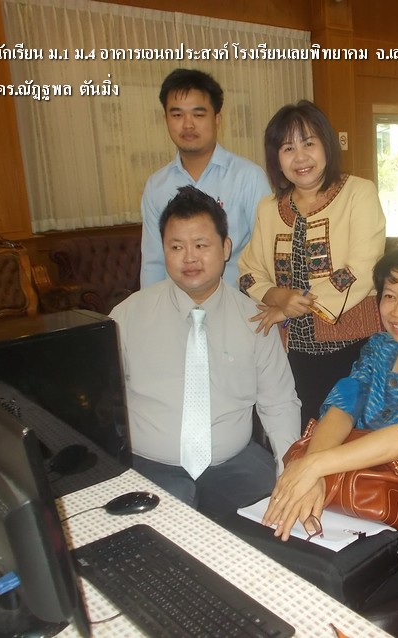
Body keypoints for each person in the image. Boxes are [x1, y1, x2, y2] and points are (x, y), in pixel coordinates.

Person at [261, 243, 398, 605]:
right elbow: (344, 403)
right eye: (389, 296)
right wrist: (312, 471)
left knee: (317, 592)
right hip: (349, 506)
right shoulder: (380, 347)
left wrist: (314, 466)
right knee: (271, 564)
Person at [111, 186, 301, 519]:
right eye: (176, 247)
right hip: (150, 467)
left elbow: (279, 402)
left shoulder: (255, 319)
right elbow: (104, 401)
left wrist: (290, 471)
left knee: (284, 526)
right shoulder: (126, 316)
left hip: (233, 465)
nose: (189, 258)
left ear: (226, 248)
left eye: (201, 245)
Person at [238, 100, 386, 427]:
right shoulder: (268, 208)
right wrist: (279, 298)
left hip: (356, 346)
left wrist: (294, 308)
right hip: (293, 351)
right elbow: (248, 273)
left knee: (354, 434)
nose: (300, 157)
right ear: (276, 158)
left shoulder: (359, 193)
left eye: (308, 143)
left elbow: (361, 269)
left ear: (327, 145)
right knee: (304, 431)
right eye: (288, 148)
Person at [140, 69, 271, 289]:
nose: (188, 124)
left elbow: (267, 255)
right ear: (166, 120)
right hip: (177, 305)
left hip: (238, 301)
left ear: (217, 119)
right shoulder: (156, 186)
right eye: (177, 115)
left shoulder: (248, 177)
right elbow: (153, 263)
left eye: (198, 115)